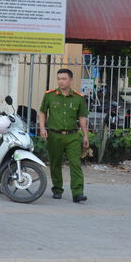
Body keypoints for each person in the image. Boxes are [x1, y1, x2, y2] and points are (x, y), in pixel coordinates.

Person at [38, 68, 90, 203]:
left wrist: (85, 136)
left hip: (72, 136)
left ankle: (78, 193)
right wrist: (42, 128)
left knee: (75, 164)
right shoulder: (50, 95)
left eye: (64, 79)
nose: (61, 81)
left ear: (71, 80)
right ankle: (57, 189)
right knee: (55, 163)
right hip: (54, 135)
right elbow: (42, 112)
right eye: (59, 78)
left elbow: (82, 117)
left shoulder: (78, 98)